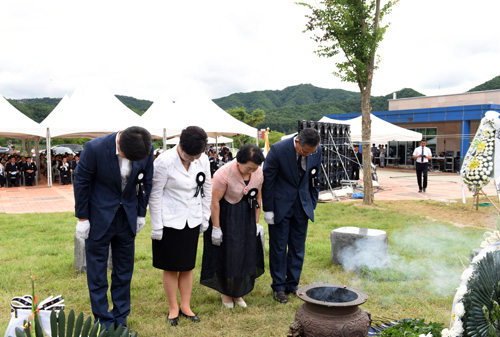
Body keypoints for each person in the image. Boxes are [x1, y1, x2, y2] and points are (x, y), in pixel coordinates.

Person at [73, 126, 154, 329]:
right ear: (119, 144)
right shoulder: (95, 148)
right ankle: (103, 319)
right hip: (99, 216)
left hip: (127, 216)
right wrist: (83, 218)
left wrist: (140, 213)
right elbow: (81, 182)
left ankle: (120, 317)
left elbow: (147, 181)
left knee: (124, 271)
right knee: (97, 271)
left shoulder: (145, 147)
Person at [149, 126, 212, 326]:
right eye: (188, 155)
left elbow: (207, 188)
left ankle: (186, 305)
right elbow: (155, 194)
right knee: (170, 266)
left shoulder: (202, 159)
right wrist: (157, 226)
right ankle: (173, 307)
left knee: (187, 265)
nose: (191, 160)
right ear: (180, 145)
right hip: (169, 221)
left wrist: (205, 217)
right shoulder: (164, 161)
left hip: (191, 219)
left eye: (196, 156)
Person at [200, 145, 265, 309]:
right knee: (229, 252)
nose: (251, 171)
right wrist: (216, 227)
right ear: (238, 162)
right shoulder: (223, 174)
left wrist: (256, 222)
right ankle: (226, 292)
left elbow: (257, 197)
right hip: (226, 215)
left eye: (254, 168)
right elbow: (214, 202)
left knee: (245, 252)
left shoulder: (257, 172)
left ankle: (238, 292)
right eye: (248, 167)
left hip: (247, 214)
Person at [262, 128, 322, 304]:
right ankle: (279, 287)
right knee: (279, 247)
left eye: (312, 152)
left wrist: (312, 202)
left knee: (297, 247)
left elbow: (315, 177)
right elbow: (268, 180)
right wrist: (269, 209)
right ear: (297, 142)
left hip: (302, 206)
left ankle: (292, 284)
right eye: (305, 152)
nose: (308, 155)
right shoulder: (278, 149)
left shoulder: (316, 150)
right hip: (280, 205)